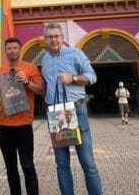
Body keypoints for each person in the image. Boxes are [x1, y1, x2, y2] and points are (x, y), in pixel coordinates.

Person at [41, 22, 102, 195]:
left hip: (77, 110)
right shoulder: (45, 59)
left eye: (56, 36)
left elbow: (92, 77)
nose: (54, 40)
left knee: (87, 162)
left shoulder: (76, 54)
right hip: (56, 113)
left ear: (62, 38)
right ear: (46, 39)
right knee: (61, 163)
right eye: (50, 37)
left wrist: (72, 78)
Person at [0, 37, 44, 195]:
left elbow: (41, 90)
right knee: (10, 167)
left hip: (24, 125)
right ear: (5, 51)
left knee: (28, 165)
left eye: (15, 48)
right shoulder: (0, 70)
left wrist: (27, 82)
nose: (12, 51)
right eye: (9, 48)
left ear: (19, 49)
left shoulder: (31, 68)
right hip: (3, 125)